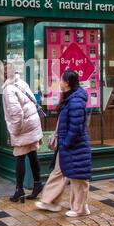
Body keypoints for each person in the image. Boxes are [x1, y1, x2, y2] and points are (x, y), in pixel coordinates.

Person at [35, 70, 92, 217]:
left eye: (61, 80)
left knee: (79, 178)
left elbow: (76, 126)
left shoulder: (76, 100)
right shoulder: (70, 98)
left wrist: (66, 142)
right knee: (59, 171)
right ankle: (49, 201)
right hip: (67, 145)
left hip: (75, 145)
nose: (59, 82)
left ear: (67, 83)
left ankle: (80, 208)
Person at [0, 62, 44, 202]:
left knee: (19, 155)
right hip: (32, 122)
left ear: (4, 74)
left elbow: (17, 113)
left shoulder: (8, 89)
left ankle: (19, 190)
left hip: (23, 126)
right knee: (32, 152)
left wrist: (15, 130)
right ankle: (37, 184)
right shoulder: (21, 83)